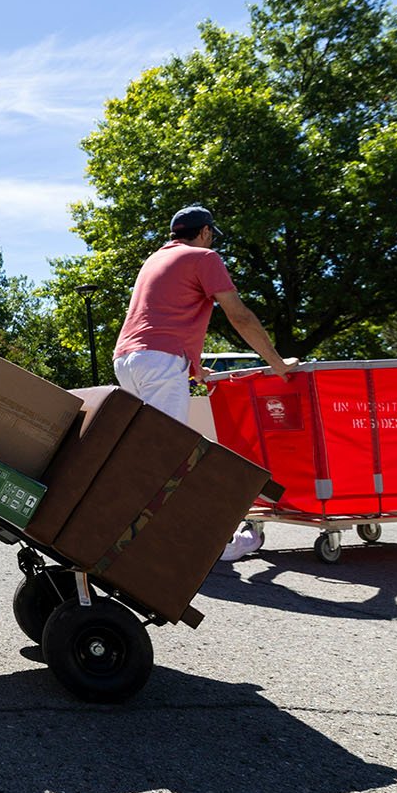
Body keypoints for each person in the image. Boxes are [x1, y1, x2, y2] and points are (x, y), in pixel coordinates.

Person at [111, 204, 296, 563]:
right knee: (174, 455)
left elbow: (162, 315)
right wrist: (277, 364)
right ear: (206, 232)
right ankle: (215, 545)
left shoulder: (156, 259)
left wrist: (193, 369)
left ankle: (135, 536)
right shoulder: (204, 257)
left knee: (147, 453)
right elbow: (239, 316)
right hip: (159, 362)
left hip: (127, 360)